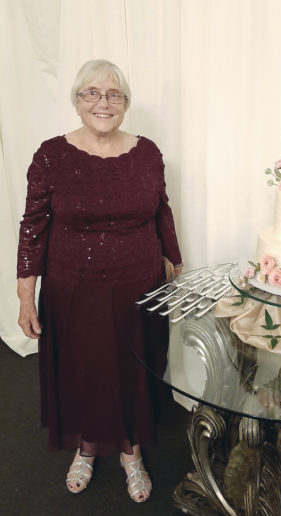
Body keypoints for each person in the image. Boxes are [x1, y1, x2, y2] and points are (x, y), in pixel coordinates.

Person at [17, 59, 183, 502]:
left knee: (131, 366)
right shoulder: (51, 154)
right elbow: (32, 225)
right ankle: (86, 447)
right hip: (73, 284)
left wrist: (175, 261)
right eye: (91, 93)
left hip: (139, 283)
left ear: (125, 103)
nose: (102, 103)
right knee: (84, 368)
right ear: (76, 101)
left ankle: (131, 452)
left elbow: (161, 209)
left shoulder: (147, 152)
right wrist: (25, 298)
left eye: (113, 94)